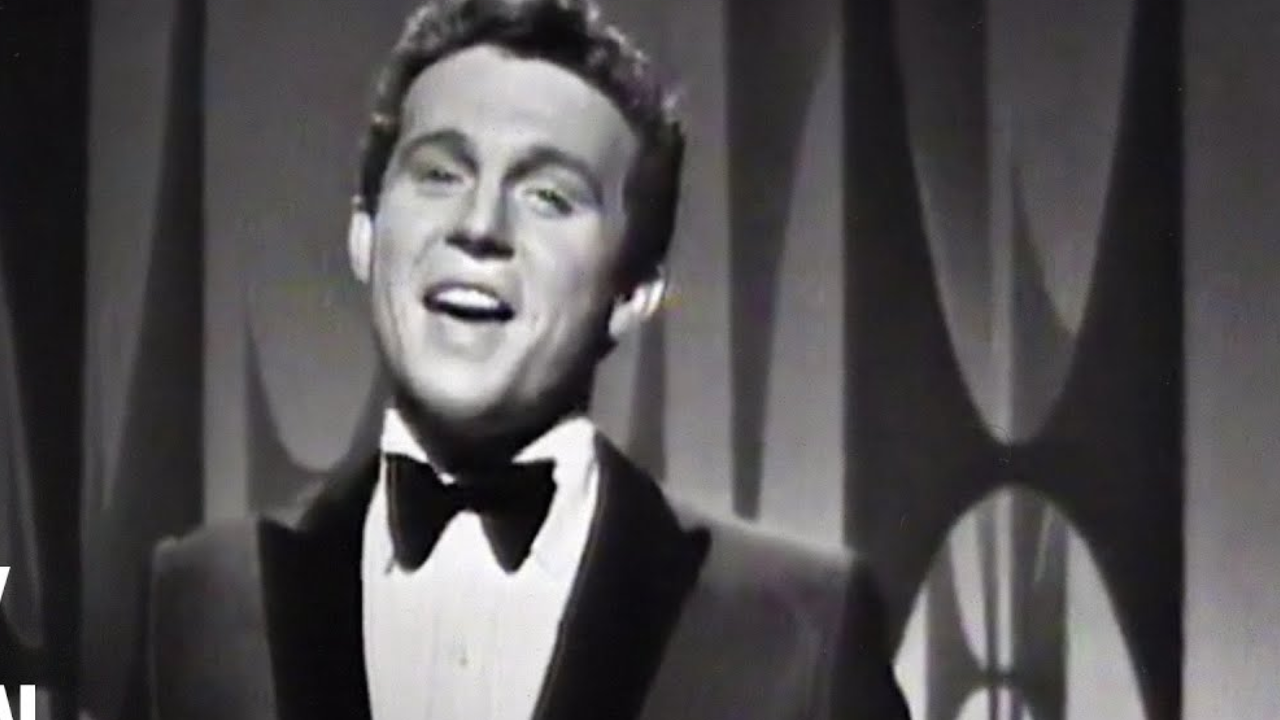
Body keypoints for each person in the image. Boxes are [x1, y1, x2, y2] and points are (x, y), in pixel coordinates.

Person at [148, 1, 909, 718]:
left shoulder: (801, 628)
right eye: (440, 174)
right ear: (365, 235)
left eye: (549, 196)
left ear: (633, 292)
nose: (480, 225)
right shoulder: (200, 598)